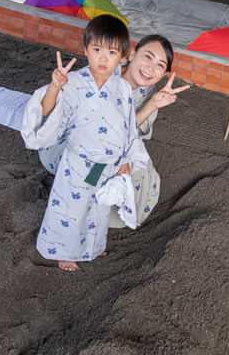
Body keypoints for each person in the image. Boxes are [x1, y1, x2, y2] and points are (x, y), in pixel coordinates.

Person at [21, 15, 149, 271]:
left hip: (106, 164)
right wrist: (55, 87)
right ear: (85, 49)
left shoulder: (122, 88)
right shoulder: (74, 83)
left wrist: (125, 161)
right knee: (71, 208)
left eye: (111, 52)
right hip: (79, 162)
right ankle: (63, 252)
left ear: (123, 56)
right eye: (97, 49)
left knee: (98, 207)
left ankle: (92, 246)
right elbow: (47, 113)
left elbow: (127, 128)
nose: (103, 58)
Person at [41, 34, 190, 229]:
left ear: (163, 75)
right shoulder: (104, 71)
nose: (151, 68)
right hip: (66, 143)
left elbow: (129, 135)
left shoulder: (151, 94)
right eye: (148, 57)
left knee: (141, 172)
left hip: (112, 145)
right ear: (132, 54)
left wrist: (152, 105)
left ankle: (100, 210)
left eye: (160, 65)